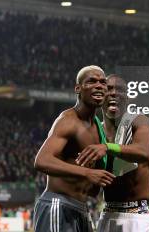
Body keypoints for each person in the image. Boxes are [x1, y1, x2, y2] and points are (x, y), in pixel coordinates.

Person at [33, 66, 116, 232]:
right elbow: (41, 160)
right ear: (78, 88)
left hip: (81, 209)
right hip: (59, 204)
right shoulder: (68, 120)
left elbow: (94, 185)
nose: (99, 85)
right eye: (91, 81)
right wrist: (87, 173)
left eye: (103, 82)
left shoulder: (98, 128)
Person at [76, 74, 149, 232]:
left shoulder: (138, 121)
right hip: (108, 213)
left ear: (127, 98)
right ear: (101, 96)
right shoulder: (95, 131)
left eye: (119, 90)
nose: (113, 93)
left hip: (138, 214)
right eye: (109, 89)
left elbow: (143, 152)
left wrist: (107, 147)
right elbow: (93, 190)